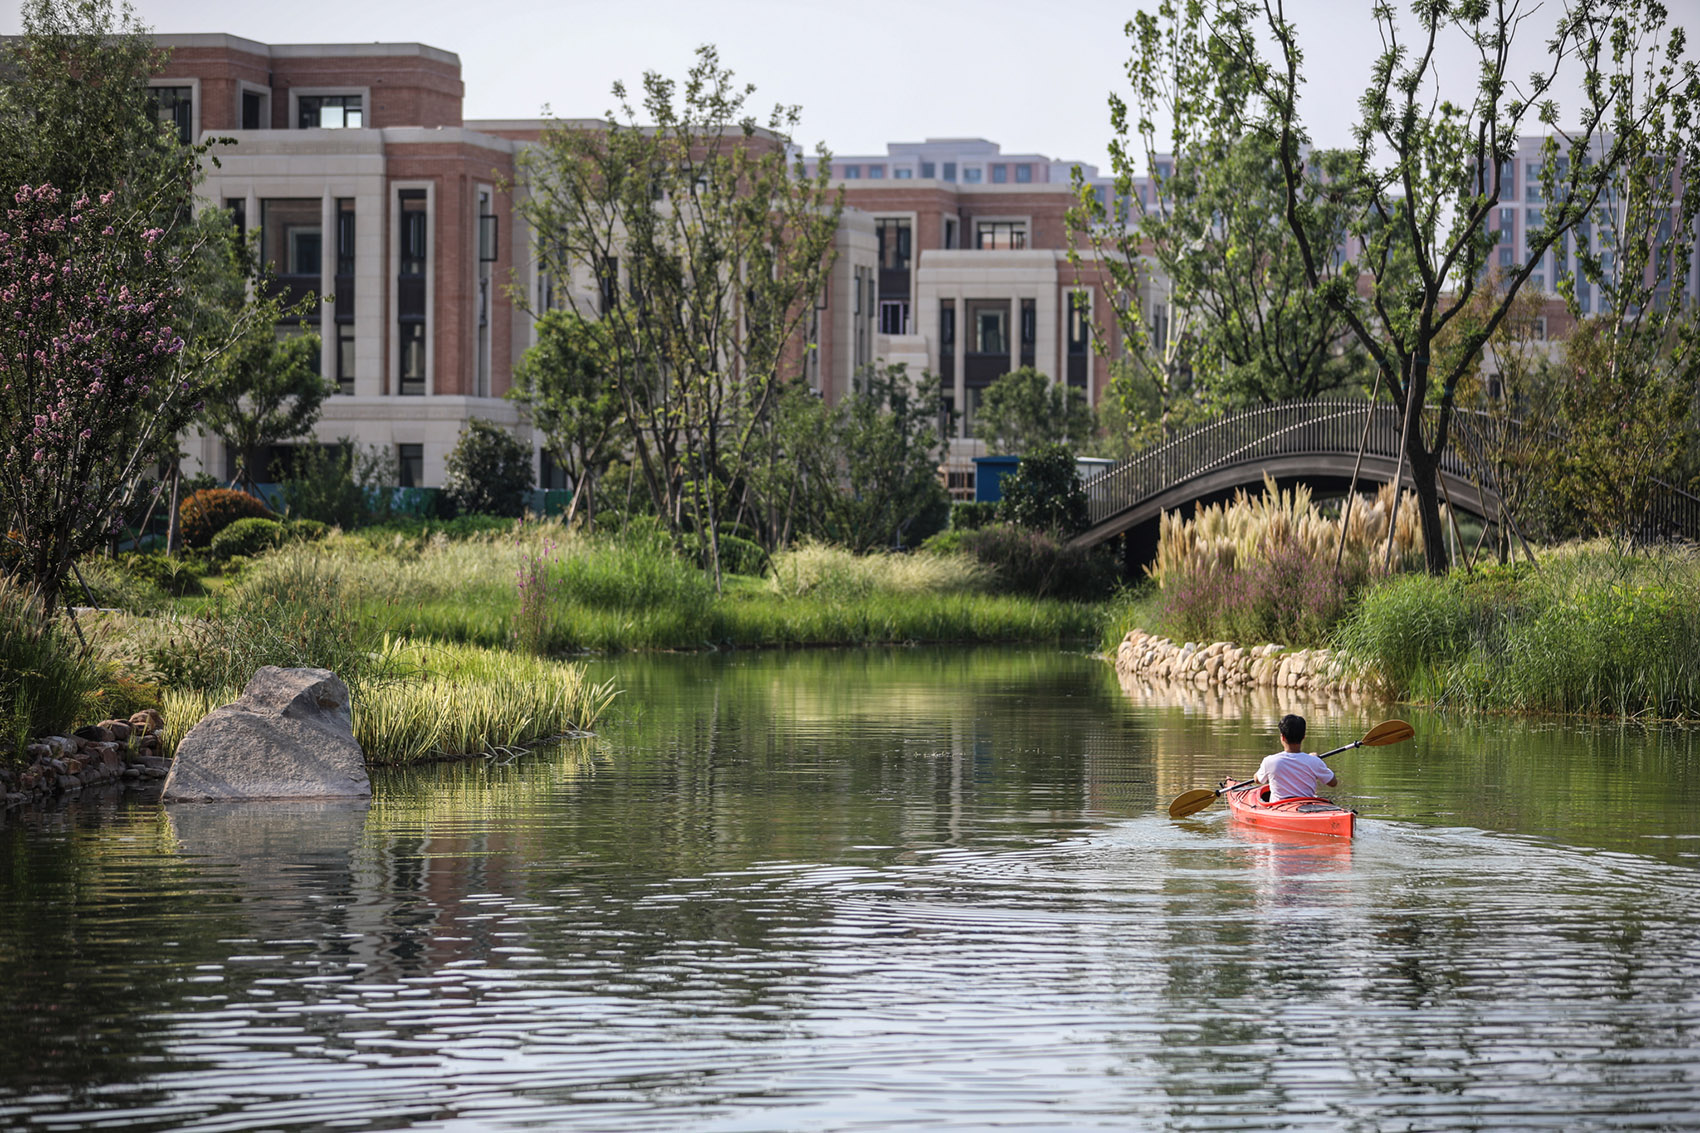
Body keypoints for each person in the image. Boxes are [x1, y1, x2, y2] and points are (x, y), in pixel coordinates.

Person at [1254, 714, 1337, 801]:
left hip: (1279, 807)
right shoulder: (1314, 761)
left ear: (1282, 737)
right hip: (1307, 806)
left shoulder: (1269, 761)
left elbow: (1257, 780)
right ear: (1303, 737)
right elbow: (1333, 782)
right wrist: (1315, 760)